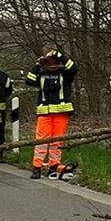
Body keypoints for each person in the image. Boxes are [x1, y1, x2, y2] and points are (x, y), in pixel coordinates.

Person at [24, 47, 77, 179]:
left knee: (57, 142)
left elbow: (74, 68)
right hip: (44, 113)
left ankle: (54, 167)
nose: (53, 66)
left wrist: (59, 55)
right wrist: (37, 65)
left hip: (61, 113)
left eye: (55, 63)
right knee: (41, 141)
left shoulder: (65, 74)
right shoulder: (41, 75)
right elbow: (29, 79)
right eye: (49, 64)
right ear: (46, 64)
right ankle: (37, 167)